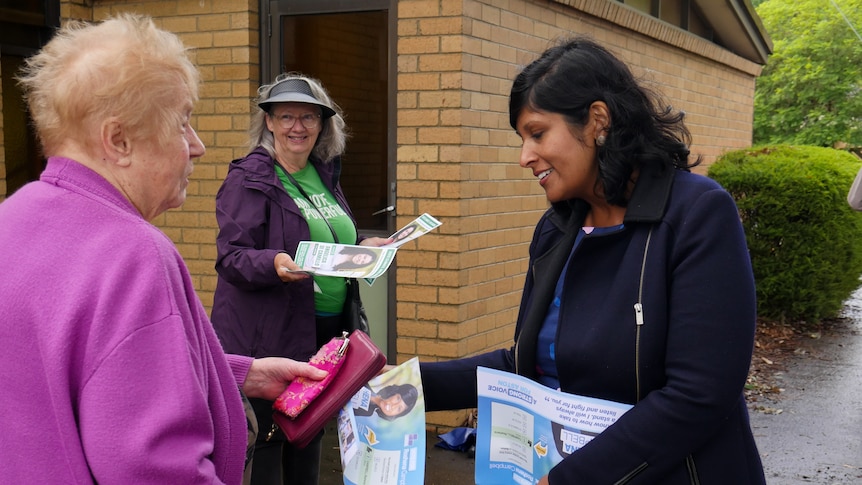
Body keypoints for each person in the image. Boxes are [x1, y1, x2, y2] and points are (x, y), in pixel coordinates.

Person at [418, 36, 766, 484]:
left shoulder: (696, 213)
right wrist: (400, 385)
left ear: (597, 121)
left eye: (538, 133)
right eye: (522, 138)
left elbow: (699, 395)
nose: (525, 157)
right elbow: (526, 363)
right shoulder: (556, 229)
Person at [0, 14, 327, 485]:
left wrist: (237, 372)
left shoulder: (14, 219)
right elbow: (154, 468)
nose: (198, 146)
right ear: (118, 140)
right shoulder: (132, 254)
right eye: (182, 123)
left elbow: (88, 370)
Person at [210, 73, 391, 485]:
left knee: (309, 437)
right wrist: (273, 262)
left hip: (325, 336)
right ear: (269, 122)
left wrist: (365, 245)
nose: (298, 127)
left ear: (323, 125)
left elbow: (325, 238)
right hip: (270, 334)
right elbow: (232, 256)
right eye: (287, 116)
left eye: (309, 118)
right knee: (271, 444)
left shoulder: (323, 174)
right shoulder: (249, 177)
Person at [351, 384, 419, 421]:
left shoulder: (367, 413)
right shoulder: (368, 383)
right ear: (394, 393)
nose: (393, 406)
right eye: (398, 398)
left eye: (399, 409)